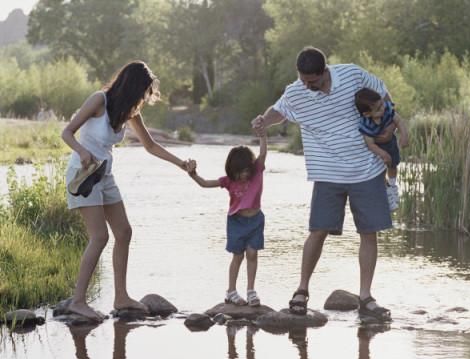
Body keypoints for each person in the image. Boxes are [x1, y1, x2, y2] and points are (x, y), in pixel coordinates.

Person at [251, 46, 393, 321]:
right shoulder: (296, 91)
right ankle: (302, 291)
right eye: (303, 80)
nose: (307, 85)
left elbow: (382, 92)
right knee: (318, 231)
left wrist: (389, 124)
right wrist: (263, 121)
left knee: (369, 232)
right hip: (327, 173)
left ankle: (365, 297)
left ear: (325, 72)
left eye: (312, 81)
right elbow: (279, 110)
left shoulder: (352, 75)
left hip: (367, 168)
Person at [62, 61, 192, 321]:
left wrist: (182, 165)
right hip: (84, 175)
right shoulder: (99, 100)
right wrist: (82, 151)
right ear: (132, 87)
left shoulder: (129, 111)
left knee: (124, 232)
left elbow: (151, 146)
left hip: (105, 176)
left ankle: (121, 296)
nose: (144, 98)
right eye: (143, 92)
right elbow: (66, 132)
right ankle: (78, 301)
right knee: (99, 237)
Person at [185, 133, 267, 307]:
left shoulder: (257, 172)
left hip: (256, 220)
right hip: (236, 222)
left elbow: (263, 152)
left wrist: (262, 135)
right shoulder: (229, 181)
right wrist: (193, 174)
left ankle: (251, 291)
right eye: (238, 172)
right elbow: (205, 183)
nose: (243, 175)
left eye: (245, 171)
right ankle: (231, 291)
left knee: (252, 254)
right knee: (238, 256)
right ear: (231, 170)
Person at [355, 87, 409, 211]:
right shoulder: (365, 125)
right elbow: (370, 144)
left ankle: (393, 186)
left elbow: (399, 121)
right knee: (379, 170)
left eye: (382, 104)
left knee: (393, 164)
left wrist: (404, 135)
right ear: (367, 114)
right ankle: (386, 190)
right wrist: (382, 154)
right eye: (378, 108)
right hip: (375, 150)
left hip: (390, 143)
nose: (383, 108)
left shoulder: (388, 110)